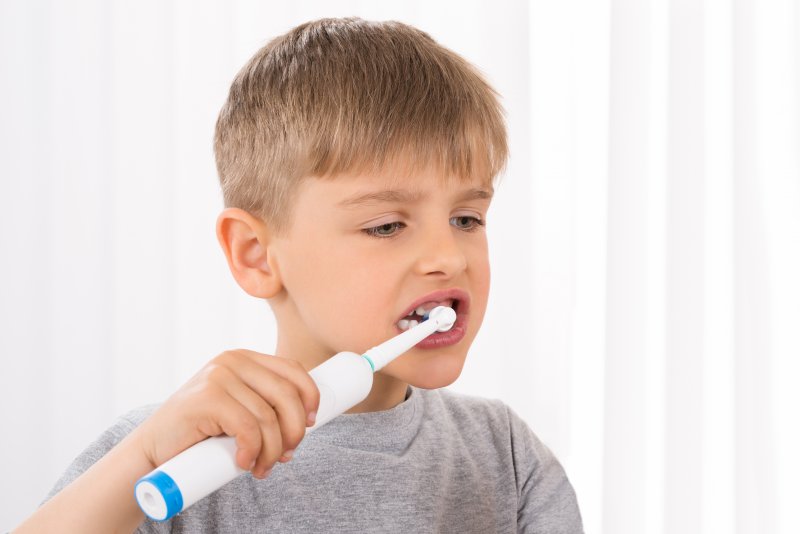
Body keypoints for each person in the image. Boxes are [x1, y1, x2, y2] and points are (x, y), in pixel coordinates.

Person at [16, 17, 583, 533]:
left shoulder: (503, 455)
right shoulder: (168, 458)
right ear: (257, 254)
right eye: (387, 226)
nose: (449, 256)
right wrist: (140, 461)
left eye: (467, 218)